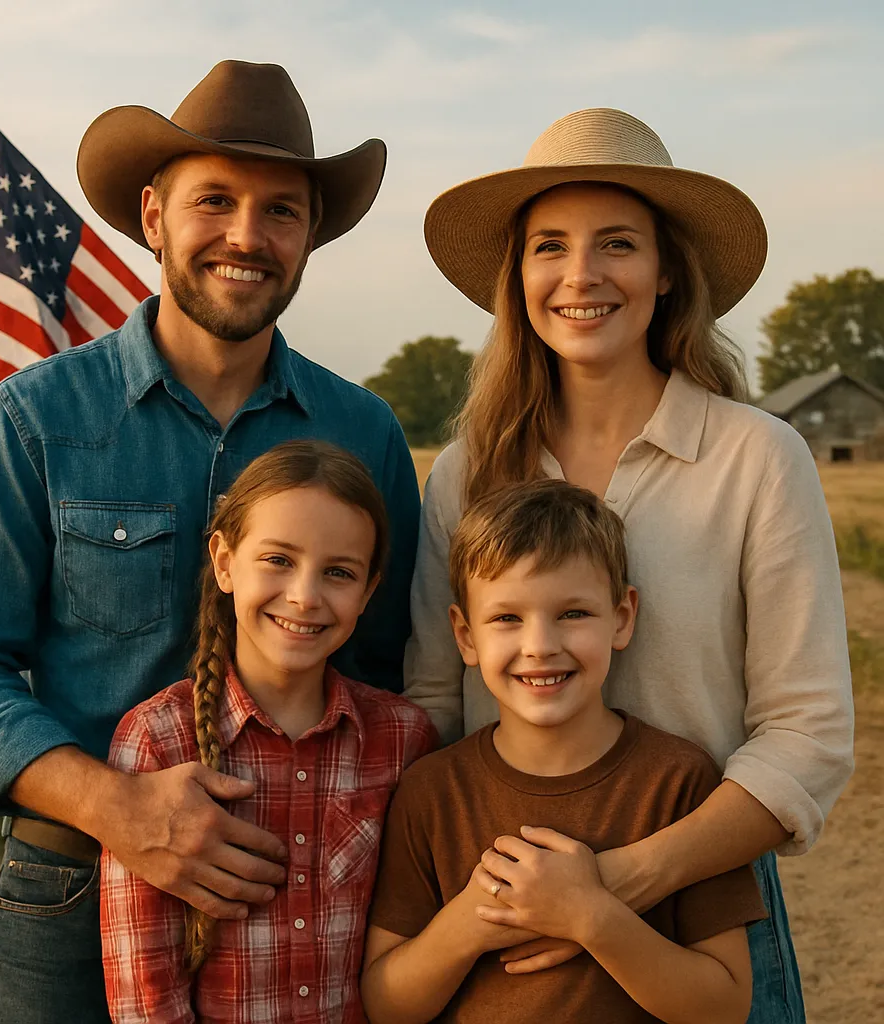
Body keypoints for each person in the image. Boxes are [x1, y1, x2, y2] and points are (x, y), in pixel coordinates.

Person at [0, 60, 420, 1023]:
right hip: (69, 882)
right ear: (152, 216)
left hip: (307, 895)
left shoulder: (365, 435)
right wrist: (120, 808)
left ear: (310, 236)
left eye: (281, 211)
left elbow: (394, 666)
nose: (246, 236)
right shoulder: (33, 418)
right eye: (213, 200)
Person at [403, 108, 854, 1022]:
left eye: (618, 243)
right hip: (506, 911)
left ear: (665, 274)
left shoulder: (757, 457)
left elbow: (807, 737)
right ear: (517, 277)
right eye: (549, 247)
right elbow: (432, 705)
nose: (582, 275)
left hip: (705, 912)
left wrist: (623, 881)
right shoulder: (466, 473)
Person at [364, 479, 767, 1023]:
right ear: (465, 635)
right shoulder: (431, 791)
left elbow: (723, 1007)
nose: (540, 646)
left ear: (622, 618)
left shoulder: (679, 781)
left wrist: (592, 917)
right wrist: (469, 922)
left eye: (573, 614)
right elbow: (387, 1006)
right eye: (507, 618)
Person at [101, 440, 436, 1024]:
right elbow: (145, 993)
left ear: (368, 592)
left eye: (338, 572)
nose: (305, 596)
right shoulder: (159, 739)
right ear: (225, 563)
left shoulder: (404, 740)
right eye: (278, 560)